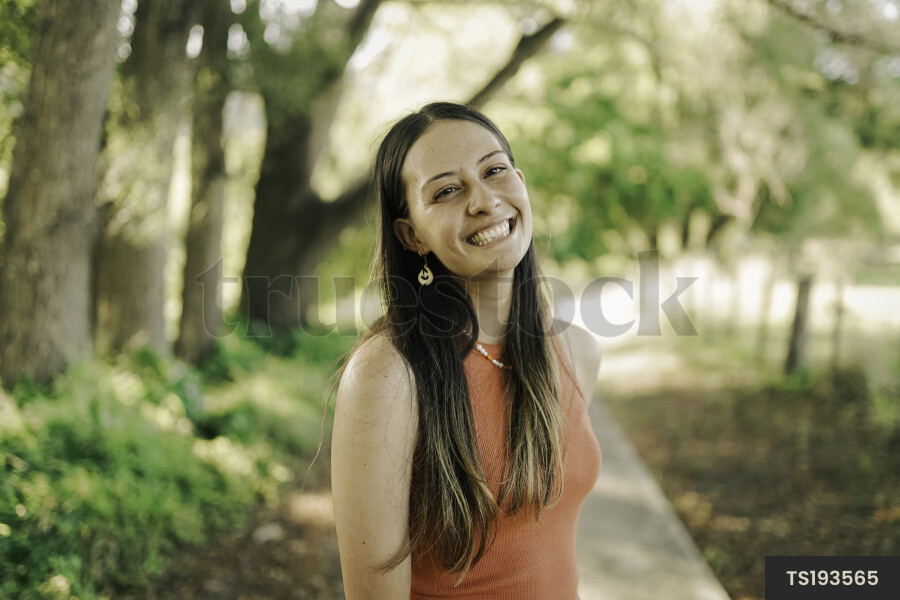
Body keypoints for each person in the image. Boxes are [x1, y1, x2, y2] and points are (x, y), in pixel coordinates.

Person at [330, 101, 602, 600]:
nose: (484, 201)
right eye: (447, 191)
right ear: (412, 235)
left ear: (519, 181)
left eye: (495, 171)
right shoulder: (388, 374)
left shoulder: (576, 350)